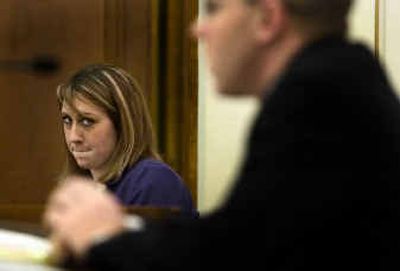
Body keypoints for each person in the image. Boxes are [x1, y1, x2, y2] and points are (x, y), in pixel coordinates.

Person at [44, 0, 400, 270]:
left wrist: (104, 238)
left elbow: (231, 253)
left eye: (213, 9)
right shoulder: (339, 81)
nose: (197, 29)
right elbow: (244, 232)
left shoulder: (318, 95)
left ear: (266, 19)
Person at [55, 63, 196, 215]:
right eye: (67, 120)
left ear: (123, 124)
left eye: (87, 121)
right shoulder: (80, 188)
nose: (74, 136)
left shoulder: (153, 181)